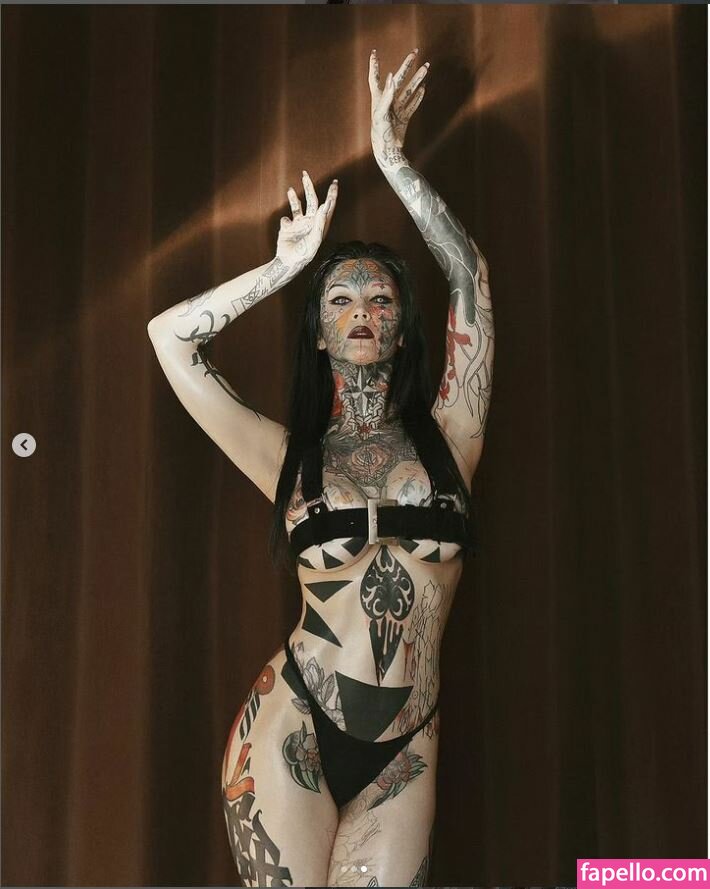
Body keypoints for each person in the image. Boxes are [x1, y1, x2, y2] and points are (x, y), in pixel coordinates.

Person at [147, 48, 494, 887]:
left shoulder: (453, 435)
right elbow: (170, 339)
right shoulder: (286, 458)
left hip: (406, 747)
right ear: (318, 332)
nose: (362, 311)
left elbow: (470, 276)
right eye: (340, 300)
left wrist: (395, 164)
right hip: (294, 725)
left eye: (380, 299)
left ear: (403, 330)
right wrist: (285, 267)